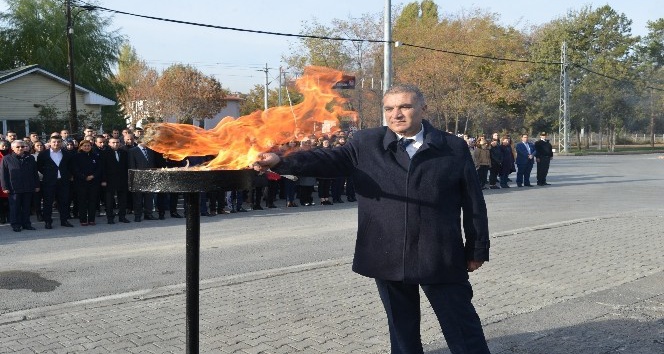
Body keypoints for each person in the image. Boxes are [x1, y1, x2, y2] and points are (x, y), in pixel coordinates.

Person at [254, 84, 491, 354]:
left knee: (462, 326)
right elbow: (323, 159)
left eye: (405, 106)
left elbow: (473, 201)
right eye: (389, 108)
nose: (396, 114)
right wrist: (279, 160)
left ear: (423, 109)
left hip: (439, 253)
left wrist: (476, 248)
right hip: (387, 253)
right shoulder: (366, 144)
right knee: (402, 330)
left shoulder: (452, 147)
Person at [37, 135, 75, 229]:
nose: (56, 144)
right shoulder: (43, 154)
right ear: (50, 142)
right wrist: (49, 173)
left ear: (61, 143)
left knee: (64, 202)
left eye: (58, 142)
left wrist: (67, 175)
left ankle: (64, 220)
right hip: (49, 182)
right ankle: (48, 222)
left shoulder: (66, 154)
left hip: (63, 182)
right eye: (54, 142)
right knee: (48, 202)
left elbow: (70, 167)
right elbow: (40, 167)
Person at [1, 140, 40, 232]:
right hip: (14, 187)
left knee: (26, 207)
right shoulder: (6, 159)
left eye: (22, 147)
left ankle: (26, 224)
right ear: (12, 148)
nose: (20, 149)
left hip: (28, 186)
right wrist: (5, 187)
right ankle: (16, 224)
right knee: (15, 207)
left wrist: (36, 185)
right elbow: (3, 174)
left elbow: (35, 173)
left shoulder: (30, 158)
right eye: (18, 147)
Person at [100, 137, 131, 224]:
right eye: (113, 142)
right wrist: (103, 180)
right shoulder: (104, 153)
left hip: (122, 180)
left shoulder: (124, 153)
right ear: (109, 144)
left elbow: (126, 166)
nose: (116, 144)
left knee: (123, 200)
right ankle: (110, 218)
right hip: (109, 180)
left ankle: (122, 216)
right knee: (109, 200)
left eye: (117, 142)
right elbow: (102, 168)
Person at [72, 140, 102, 225]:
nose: (87, 147)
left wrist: (93, 176)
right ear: (81, 147)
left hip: (93, 182)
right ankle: (83, 220)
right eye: (84, 146)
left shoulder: (95, 156)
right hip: (81, 182)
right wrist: (84, 177)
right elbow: (75, 169)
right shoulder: (76, 157)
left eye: (88, 145)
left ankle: (92, 219)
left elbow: (99, 168)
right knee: (82, 202)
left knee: (92, 201)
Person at [128, 139, 158, 221]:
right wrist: (134, 178)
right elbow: (132, 165)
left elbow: (153, 163)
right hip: (138, 178)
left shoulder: (150, 151)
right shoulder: (132, 151)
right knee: (138, 198)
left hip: (150, 177)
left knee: (149, 197)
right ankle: (137, 215)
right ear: (139, 141)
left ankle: (148, 214)